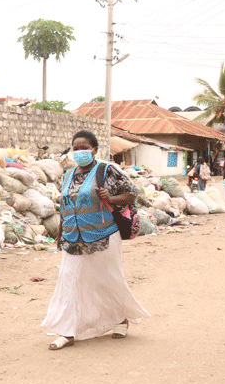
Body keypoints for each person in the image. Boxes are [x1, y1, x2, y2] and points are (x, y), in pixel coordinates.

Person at [42, 130, 150, 350]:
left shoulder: (107, 170)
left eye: (84, 148)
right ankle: (67, 332)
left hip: (103, 235)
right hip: (73, 237)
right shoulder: (68, 174)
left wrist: (110, 198)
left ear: (94, 149)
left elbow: (131, 193)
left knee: (108, 280)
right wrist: (61, 233)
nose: (80, 152)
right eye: (76, 148)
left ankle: (121, 319)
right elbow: (65, 207)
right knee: (69, 281)